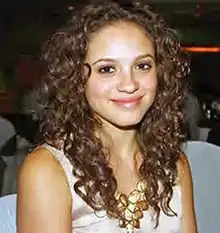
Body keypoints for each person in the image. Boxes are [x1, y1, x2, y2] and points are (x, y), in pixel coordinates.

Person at [17, 1, 197, 233]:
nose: (129, 84)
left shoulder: (174, 164)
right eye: (107, 69)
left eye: (142, 66)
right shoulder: (47, 171)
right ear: (77, 79)